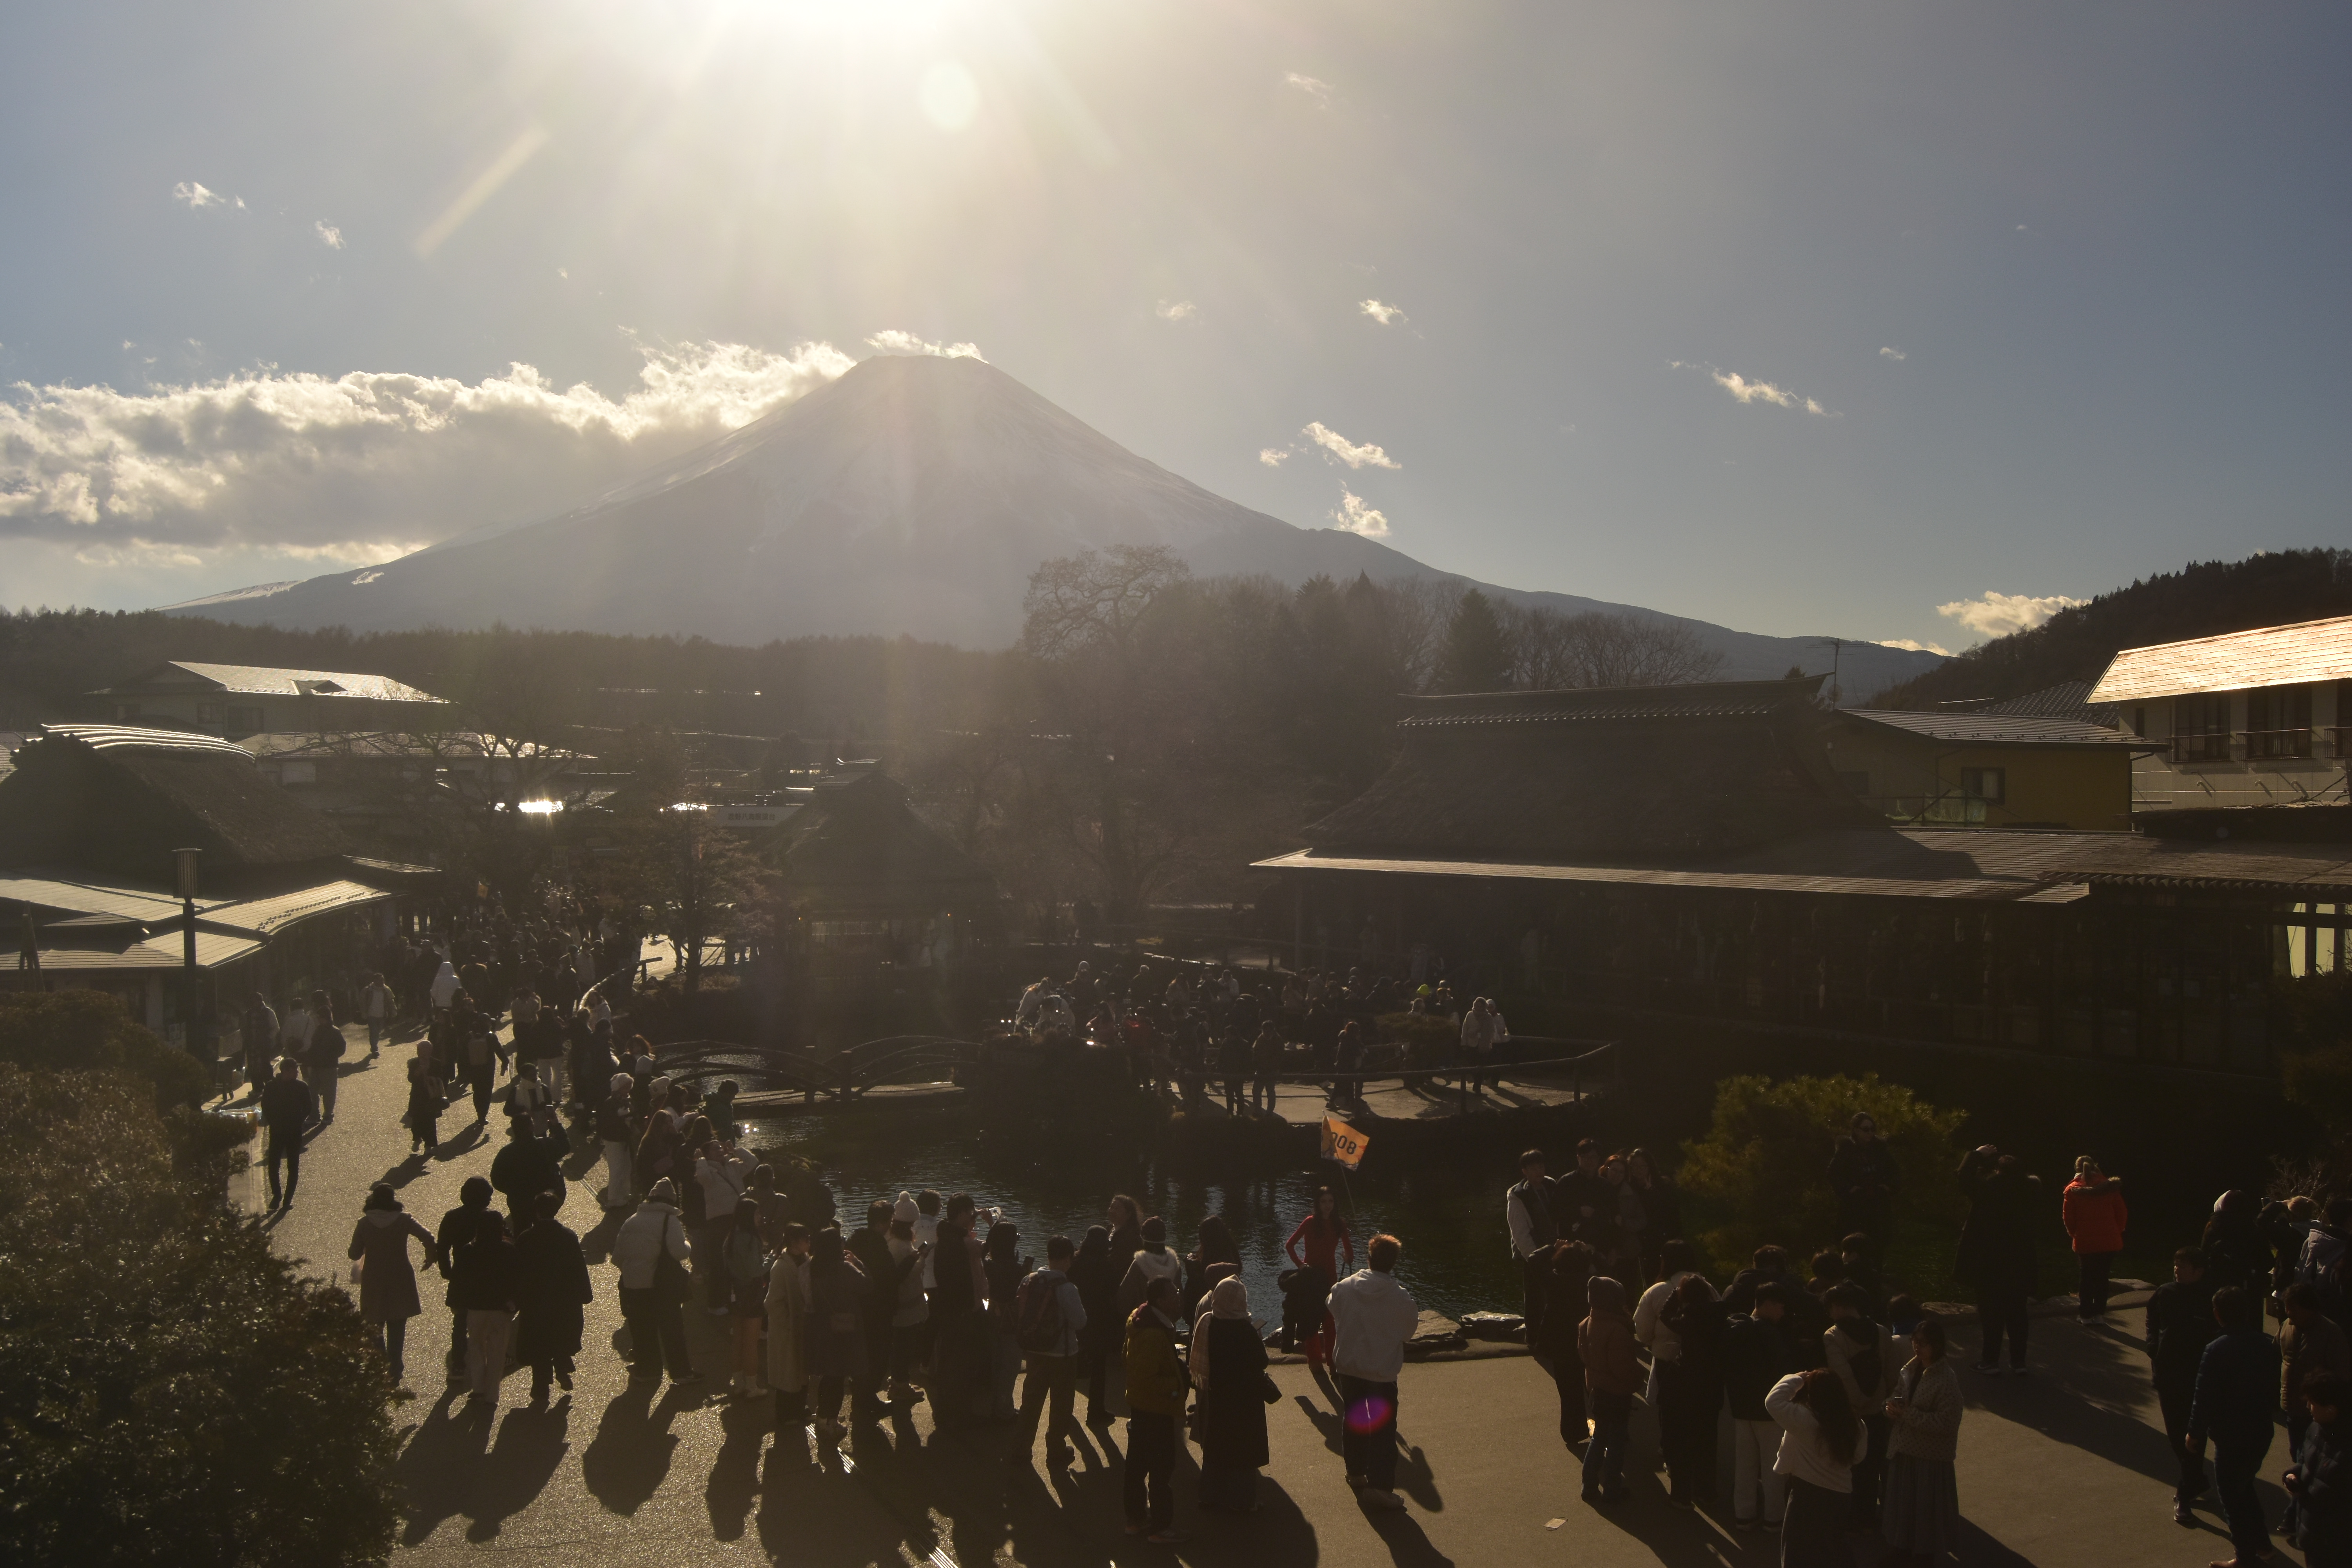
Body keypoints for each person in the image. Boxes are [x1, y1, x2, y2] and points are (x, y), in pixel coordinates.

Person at [2191, 1285, 2284, 1568]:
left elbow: (2203, 1397)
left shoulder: (2216, 1350)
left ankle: (2245, 1557)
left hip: (2230, 1436)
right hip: (2260, 1431)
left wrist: (2194, 1434)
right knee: (2244, 1487)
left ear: (2218, 1315)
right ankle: (2263, 1546)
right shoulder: (2266, 1344)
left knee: (2231, 1498)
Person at [1327, 1232, 1419, 1512]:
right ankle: (1379, 1486)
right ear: (1394, 1264)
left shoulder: (1345, 1287)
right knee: (1382, 1431)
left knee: (1354, 1419)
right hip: (1380, 1373)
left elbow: (1332, 1306)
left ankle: (1355, 1472)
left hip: (1350, 1367)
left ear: (1368, 1258)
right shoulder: (1401, 1298)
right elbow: (1408, 1334)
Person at [1880, 1316, 1964, 1567]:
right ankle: (1901, 1552)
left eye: (1924, 1343)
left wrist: (1907, 1414)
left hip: (1929, 1458)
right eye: (1915, 1341)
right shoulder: (1911, 1368)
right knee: (1903, 1510)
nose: (1918, 1347)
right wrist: (1891, 1408)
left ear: (1937, 1346)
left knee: (1924, 1513)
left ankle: (1922, 1558)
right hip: (1904, 1450)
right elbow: (1898, 1395)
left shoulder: (1946, 1379)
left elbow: (1947, 1423)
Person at [1766, 1368, 1868, 1568]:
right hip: (1840, 1496)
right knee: (1832, 1551)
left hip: (1807, 1494)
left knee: (1797, 1553)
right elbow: (1859, 1457)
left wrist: (1797, 1379)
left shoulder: (1804, 1419)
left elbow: (1773, 1401)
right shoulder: (1856, 1424)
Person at [2149, 1245, 2222, 1524]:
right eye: (2176, 1265)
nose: (2177, 1270)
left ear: (2200, 1271)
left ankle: (2185, 1492)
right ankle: (2198, 1480)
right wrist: (2152, 1345)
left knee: (2194, 1436)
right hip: (2168, 1373)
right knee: (2176, 1435)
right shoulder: (2165, 1292)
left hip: (2199, 1376)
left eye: (2183, 1266)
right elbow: (2152, 1318)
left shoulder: (2211, 1297)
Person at [1955, 1145, 2039, 1375]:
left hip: (1989, 1261)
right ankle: (2018, 1361)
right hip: (2020, 1262)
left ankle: (1990, 1360)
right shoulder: (2029, 1191)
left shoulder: (1989, 1189)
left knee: (1991, 1313)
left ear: (1999, 1170)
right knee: (2017, 1314)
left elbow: (1964, 1178)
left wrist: (1975, 1155)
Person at [1192, 1274, 1270, 1514]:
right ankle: (1241, 1501)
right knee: (1243, 1451)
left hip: (1217, 1395)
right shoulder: (1244, 1329)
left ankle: (1208, 1495)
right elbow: (1262, 1361)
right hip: (1245, 1399)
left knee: (1215, 1447)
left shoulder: (1208, 1323)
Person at [1723, 1281, 1797, 1530]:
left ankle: (1744, 1514)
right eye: (1780, 1307)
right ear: (1767, 1305)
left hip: (1741, 1409)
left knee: (1745, 1466)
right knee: (1773, 1467)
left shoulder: (1733, 1328)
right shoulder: (1770, 1333)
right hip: (1769, 1411)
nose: (1783, 1313)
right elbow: (1783, 1371)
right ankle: (1774, 1518)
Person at [1010, 1234, 1088, 1468]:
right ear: (1068, 1258)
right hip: (1062, 1354)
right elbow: (1080, 1322)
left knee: (1031, 1403)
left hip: (1034, 1351)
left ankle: (1021, 1449)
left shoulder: (1029, 1280)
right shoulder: (1066, 1288)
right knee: (1061, 1405)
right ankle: (1055, 1452)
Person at [1122, 1275, 1190, 1543]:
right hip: (1156, 1409)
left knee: (1136, 1467)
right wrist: (1176, 1386)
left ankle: (1135, 1521)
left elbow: (1128, 1362)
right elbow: (1146, 1377)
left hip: (1140, 1407)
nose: (1178, 1295)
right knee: (1162, 1470)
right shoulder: (1153, 1334)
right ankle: (1161, 1528)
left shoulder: (1143, 1321)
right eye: (1174, 1292)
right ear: (1161, 1300)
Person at [347, 1183, 436, 1388]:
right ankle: (395, 1368)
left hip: (374, 1280)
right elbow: (428, 1237)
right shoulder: (404, 1220)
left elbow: (354, 1254)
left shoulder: (364, 1223)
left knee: (375, 1326)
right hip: (400, 1277)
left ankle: (380, 1365)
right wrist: (431, 1256)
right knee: (397, 1325)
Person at [612, 1178, 699, 1386]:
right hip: (662, 1287)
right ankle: (681, 1373)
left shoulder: (631, 1220)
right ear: (671, 1201)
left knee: (643, 1331)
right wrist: (688, 1243)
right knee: (672, 1331)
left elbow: (617, 1258)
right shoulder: (670, 1221)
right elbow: (679, 1252)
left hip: (634, 1286)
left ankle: (648, 1370)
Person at [1823, 1283, 1895, 1525]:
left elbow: (1842, 1376)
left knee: (1851, 1466)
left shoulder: (1833, 1336)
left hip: (1852, 1413)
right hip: (1879, 1411)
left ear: (1838, 1307)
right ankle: (1868, 1517)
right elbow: (1891, 1373)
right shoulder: (1881, 1332)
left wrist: (1857, 1402)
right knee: (1873, 1465)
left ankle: (1852, 1519)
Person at [514, 1188, 592, 1402]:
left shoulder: (526, 1238)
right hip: (564, 1299)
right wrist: (585, 1293)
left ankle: (540, 1387)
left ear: (536, 1212)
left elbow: (517, 1270)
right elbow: (578, 1267)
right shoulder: (567, 1236)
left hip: (536, 1300)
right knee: (560, 1336)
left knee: (539, 1342)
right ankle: (562, 1368)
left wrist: (515, 1298)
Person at [1660, 1272, 1728, 1508]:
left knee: (1680, 1441)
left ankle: (1681, 1494)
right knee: (1707, 1440)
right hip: (1711, 1386)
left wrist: (1674, 1295)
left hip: (1683, 1383)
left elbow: (1665, 1316)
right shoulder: (1721, 1316)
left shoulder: (1688, 1318)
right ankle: (1706, 1491)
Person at [806, 1228, 871, 1444]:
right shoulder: (845, 1269)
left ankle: (824, 1416)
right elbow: (867, 1286)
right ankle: (831, 1422)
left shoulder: (813, 1267)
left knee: (828, 1375)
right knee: (838, 1376)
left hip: (822, 1326)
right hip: (845, 1328)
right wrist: (859, 1263)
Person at [1579, 1274, 1639, 1504]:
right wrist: (1636, 1379)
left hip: (1597, 1391)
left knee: (1599, 1438)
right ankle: (1612, 1489)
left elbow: (1584, 1357)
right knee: (1615, 1445)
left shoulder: (1586, 1324)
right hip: (1616, 1393)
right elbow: (1623, 1368)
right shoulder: (1617, 1330)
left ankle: (1589, 1485)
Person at [2282, 1282, 2352, 1473]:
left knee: (2312, 1462)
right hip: (2292, 1409)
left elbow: (2341, 1377)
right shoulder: (2287, 1327)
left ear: (2308, 1308)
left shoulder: (2332, 1334)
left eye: (2293, 1308)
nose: (2288, 1313)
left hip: (2316, 1415)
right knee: (2297, 1454)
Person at [451, 1209, 519, 1404]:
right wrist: (515, 1302)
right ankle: (491, 1395)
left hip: (476, 1307)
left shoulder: (468, 1251)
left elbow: (458, 1281)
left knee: (476, 1346)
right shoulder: (508, 1251)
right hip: (502, 1308)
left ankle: (478, 1388)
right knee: (498, 1351)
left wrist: (455, 1302)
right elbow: (518, 1279)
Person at [2287, 1369, 2352, 1568]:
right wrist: (2295, 1475)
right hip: (2313, 1534)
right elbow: (2308, 1464)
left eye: (2313, 1403)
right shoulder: (2315, 1428)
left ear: (2332, 1409)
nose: (2308, 1407)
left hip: (2336, 1544)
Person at [1285, 1187, 1355, 1367]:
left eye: (1331, 1201)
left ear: (1335, 1203)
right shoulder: (1309, 1222)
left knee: (1330, 1321)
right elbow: (1290, 1245)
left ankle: (1332, 1361)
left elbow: (1349, 1252)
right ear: (1318, 1203)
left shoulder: (1340, 1223)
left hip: (1330, 1277)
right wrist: (1301, 1265)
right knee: (1311, 1319)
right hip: (1311, 1277)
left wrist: (1348, 1258)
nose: (1327, 1206)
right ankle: (1315, 1359)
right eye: (1323, 1202)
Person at [2061, 1156, 2129, 1323]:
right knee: (2102, 1277)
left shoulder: (2073, 1190)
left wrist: (2074, 1234)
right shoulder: (2110, 1187)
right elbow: (2122, 1213)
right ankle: (2099, 1314)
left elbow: (2068, 1218)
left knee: (2086, 1277)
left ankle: (2085, 1314)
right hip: (2109, 1240)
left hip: (2085, 1241)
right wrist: (2116, 1231)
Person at [1507, 1149, 1561, 1343]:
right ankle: (1534, 1340)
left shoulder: (1551, 1186)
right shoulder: (1518, 1196)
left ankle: (1552, 1337)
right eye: (1533, 1168)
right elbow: (1519, 1233)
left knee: (1555, 1296)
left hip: (1555, 1249)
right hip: (1534, 1254)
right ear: (1525, 1172)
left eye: (1541, 1167)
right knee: (1534, 1299)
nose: (1539, 1171)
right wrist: (1533, 1257)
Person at [766, 1222, 813, 1438]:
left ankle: (799, 1409)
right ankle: (785, 1415)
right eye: (806, 1239)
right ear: (795, 1242)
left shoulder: (804, 1261)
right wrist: (786, 1324)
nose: (809, 1243)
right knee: (788, 1374)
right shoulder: (781, 1267)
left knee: (801, 1372)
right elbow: (773, 1302)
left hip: (801, 1326)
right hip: (788, 1330)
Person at [1069, 1224, 1121, 1422]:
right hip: (1100, 1321)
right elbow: (1114, 1290)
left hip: (1076, 1316)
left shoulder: (1075, 1262)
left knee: (1071, 1367)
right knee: (1099, 1368)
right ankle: (1095, 1411)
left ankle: (1066, 1410)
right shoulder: (1107, 1266)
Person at [1829, 1112, 1899, 1243]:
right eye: (1866, 1129)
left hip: (1877, 1206)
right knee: (1854, 1245)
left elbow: (1895, 1171)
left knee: (1877, 1245)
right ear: (1856, 1130)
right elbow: (1833, 1172)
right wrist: (1848, 1189)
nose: (1870, 1133)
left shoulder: (1880, 1149)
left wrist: (1888, 1187)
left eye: (1873, 1129)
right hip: (1855, 1207)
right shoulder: (1847, 1149)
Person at [258, 1058, 314, 1212]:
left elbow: (308, 1106)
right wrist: (273, 1121)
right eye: (295, 1070)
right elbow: (266, 1106)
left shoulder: (302, 1087)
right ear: (287, 1071)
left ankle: (288, 1199)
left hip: (294, 1131)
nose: (297, 1072)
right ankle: (277, 1195)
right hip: (277, 1131)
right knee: (274, 1164)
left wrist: (299, 1120)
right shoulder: (271, 1087)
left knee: (293, 1166)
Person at [985, 1220, 1027, 1422]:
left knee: (995, 1363)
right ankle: (1005, 1410)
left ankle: (994, 1406)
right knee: (1009, 1367)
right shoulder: (1015, 1269)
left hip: (992, 1317)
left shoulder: (989, 1265)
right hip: (1011, 1322)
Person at [491, 1112, 565, 1218]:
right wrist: (556, 1126)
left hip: (519, 1202)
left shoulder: (506, 1153)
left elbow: (496, 1179)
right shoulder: (545, 1145)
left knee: (521, 1229)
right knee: (544, 1228)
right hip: (544, 1200)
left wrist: (512, 1192)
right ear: (531, 1128)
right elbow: (565, 1146)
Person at [1119, 1216, 1185, 1315]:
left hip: (1143, 1322)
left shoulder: (1139, 1265)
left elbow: (1123, 1300)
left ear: (1144, 1237)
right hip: (1167, 1324)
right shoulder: (1175, 1265)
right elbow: (1180, 1302)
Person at [596, 1072, 635, 1210]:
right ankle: (613, 1198)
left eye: (630, 1086)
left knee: (626, 1167)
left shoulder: (627, 1100)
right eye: (626, 1086)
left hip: (624, 1138)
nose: (629, 1089)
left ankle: (624, 1194)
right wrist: (619, 1117)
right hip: (613, 1139)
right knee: (616, 1168)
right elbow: (605, 1122)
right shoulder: (610, 1102)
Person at [404, 1054, 445, 1155]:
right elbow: (410, 1079)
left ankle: (428, 1146)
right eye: (419, 1050)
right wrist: (417, 1073)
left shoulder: (436, 1063)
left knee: (430, 1121)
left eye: (423, 1051)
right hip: (417, 1097)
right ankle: (417, 1139)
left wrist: (429, 1076)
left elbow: (441, 1077)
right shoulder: (414, 1063)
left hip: (431, 1097)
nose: (421, 1053)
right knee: (416, 1120)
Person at [361, 972, 394, 1061]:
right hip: (371, 1015)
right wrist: (364, 1013)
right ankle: (375, 1049)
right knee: (374, 1032)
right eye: (380, 980)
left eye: (383, 979)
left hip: (382, 1015)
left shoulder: (386, 990)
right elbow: (363, 1002)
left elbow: (391, 1001)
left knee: (378, 1032)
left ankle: (374, 1045)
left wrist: (394, 1011)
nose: (382, 981)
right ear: (375, 981)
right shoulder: (368, 990)